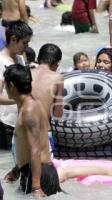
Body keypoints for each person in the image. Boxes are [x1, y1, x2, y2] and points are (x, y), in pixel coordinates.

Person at [4, 43, 64, 183]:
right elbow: (57, 114)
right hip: (41, 134)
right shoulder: (57, 77)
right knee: (43, 180)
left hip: (19, 132)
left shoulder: (25, 73)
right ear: (57, 63)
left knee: (25, 178)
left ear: (38, 58)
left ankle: (17, 170)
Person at [0, 21, 32, 154]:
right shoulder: (1, 62)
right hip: (5, 124)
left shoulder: (19, 58)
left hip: (19, 121)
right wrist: (19, 100)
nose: (27, 47)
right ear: (13, 39)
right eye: (24, 43)